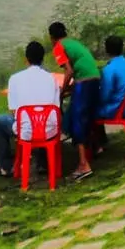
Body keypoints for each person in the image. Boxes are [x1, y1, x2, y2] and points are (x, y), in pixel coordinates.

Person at [0, 41, 60, 178]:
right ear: (42, 59)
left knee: (1, 120)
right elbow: (56, 108)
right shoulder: (52, 79)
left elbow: (14, 111)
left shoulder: (15, 79)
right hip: (50, 131)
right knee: (43, 117)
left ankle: (6, 166)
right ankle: (43, 162)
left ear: (26, 59)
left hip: (26, 132)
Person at [49, 21, 101, 182]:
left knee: (77, 119)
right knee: (85, 113)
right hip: (94, 77)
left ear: (52, 37)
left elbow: (69, 71)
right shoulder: (73, 43)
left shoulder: (58, 46)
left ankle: (83, 165)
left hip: (83, 79)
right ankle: (96, 146)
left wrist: (62, 91)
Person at [95, 35, 125, 153]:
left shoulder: (109, 69)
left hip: (117, 109)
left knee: (87, 111)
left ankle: (96, 146)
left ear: (106, 49)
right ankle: (101, 141)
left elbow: (104, 96)